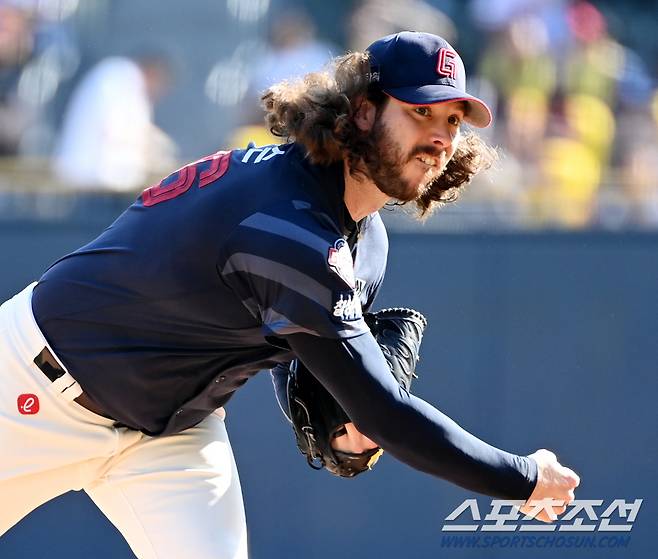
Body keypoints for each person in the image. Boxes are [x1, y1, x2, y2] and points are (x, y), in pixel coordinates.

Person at [0, 31, 579, 558]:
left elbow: (291, 338)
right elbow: (388, 413)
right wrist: (523, 478)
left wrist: (339, 423)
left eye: (454, 121)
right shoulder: (287, 223)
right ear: (362, 111)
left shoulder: (361, 236)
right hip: (34, 392)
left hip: (170, 434)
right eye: (420, 111)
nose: (439, 136)